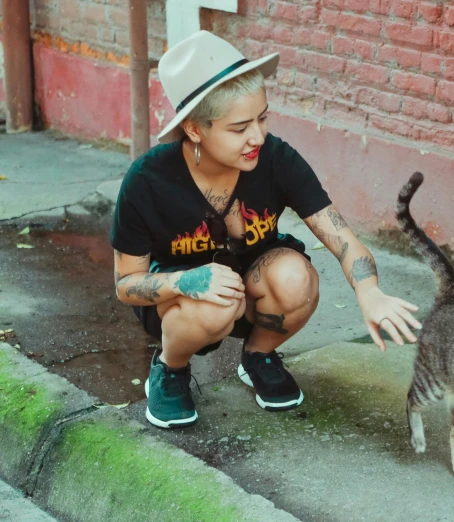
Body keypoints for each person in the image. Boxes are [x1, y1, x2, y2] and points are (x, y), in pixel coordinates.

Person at [111, 31, 421, 429]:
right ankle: (171, 368)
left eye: (262, 118)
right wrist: (187, 281)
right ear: (194, 130)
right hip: (183, 305)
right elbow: (125, 285)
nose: (257, 136)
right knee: (214, 302)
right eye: (239, 128)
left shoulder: (276, 159)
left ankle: (258, 355)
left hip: (257, 290)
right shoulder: (148, 181)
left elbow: (341, 239)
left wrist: (369, 291)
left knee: (296, 277)